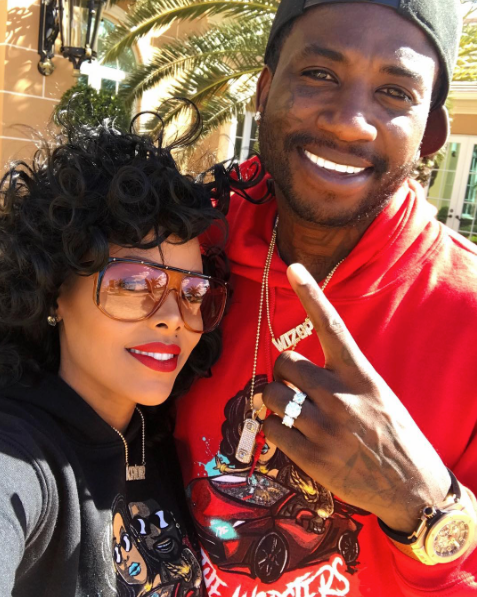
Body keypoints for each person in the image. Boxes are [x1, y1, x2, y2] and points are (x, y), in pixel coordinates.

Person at [173, 1, 477, 595]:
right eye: (319, 74)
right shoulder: (182, 252)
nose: (349, 123)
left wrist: (420, 503)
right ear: (264, 90)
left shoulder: (467, 312)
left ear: (431, 133)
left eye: (395, 92)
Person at [0, 105, 240, 596]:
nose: (173, 316)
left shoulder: (158, 437)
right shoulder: (20, 454)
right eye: (133, 284)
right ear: (54, 292)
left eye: (194, 292)